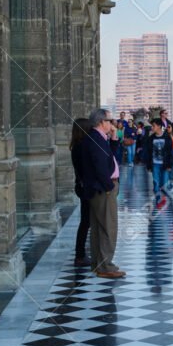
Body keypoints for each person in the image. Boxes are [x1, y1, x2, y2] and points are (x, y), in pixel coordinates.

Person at [81, 109, 124, 278]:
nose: (112, 124)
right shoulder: (95, 138)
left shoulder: (98, 137)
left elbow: (109, 157)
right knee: (108, 227)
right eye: (110, 120)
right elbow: (99, 165)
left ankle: (98, 264)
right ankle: (106, 266)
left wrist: (113, 137)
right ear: (101, 121)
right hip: (103, 188)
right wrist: (108, 187)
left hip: (100, 187)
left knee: (99, 227)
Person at [70, 118, 92, 267]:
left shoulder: (77, 145)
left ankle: (81, 253)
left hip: (82, 186)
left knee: (86, 222)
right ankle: (80, 255)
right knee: (85, 222)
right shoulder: (82, 147)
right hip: (86, 188)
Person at [146, 118, 173, 205]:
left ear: (159, 126)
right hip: (155, 164)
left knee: (164, 183)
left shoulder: (167, 137)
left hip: (165, 165)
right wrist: (148, 166)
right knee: (156, 184)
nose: (152, 127)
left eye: (153, 126)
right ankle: (159, 200)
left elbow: (170, 152)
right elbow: (148, 153)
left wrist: (170, 165)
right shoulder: (151, 138)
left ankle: (163, 197)